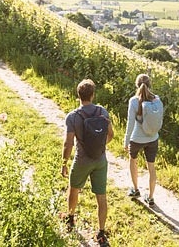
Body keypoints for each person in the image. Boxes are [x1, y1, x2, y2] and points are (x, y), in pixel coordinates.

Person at [62, 79, 114, 247]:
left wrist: (64, 163)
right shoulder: (103, 112)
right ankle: (101, 233)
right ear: (93, 95)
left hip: (82, 160)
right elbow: (111, 135)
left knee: (74, 188)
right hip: (100, 160)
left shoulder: (72, 117)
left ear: (78, 95)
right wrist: (99, 145)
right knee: (101, 196)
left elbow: (68, 143)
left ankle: (70, 219)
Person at [124, 73, 163, 206]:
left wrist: (126, 141)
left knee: (133, 161)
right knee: (151, 167)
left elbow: (130, 123)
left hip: (136, 139)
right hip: (153, 138)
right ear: (150, 85)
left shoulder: (133, 101)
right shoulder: (156, 100)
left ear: (136, 85)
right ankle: (151, 197)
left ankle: (135, 189)